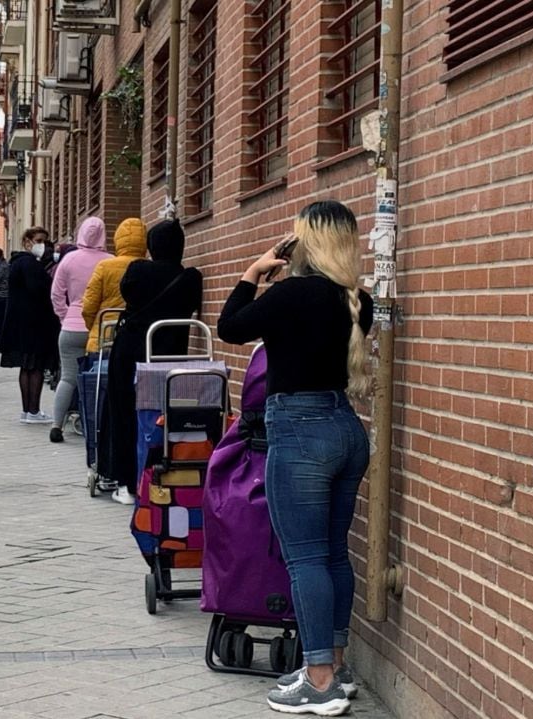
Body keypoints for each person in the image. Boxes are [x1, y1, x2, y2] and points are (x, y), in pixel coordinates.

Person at [216, 200, 372, 717]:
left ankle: (320, 681)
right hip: (346, 428)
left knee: (305, 558)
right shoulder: (357, 301)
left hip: (300, 431)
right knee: (332, 554)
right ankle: (337, 666)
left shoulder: (290, 294)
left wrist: (253, 271)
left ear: (305, 241)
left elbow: (231, 327)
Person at [104, 220, 203, 505]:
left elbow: (127, 294)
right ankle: (164, 476)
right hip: (170, 357)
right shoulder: (190, 278)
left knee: (124, 413)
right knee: (164, 418)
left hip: (131, 351)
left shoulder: (138, 270)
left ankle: (127, 481)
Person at [48, 217, 111, 443]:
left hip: (71, 327)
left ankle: (57, 424)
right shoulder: (110, 261)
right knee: (101, 379)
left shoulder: (68, 260)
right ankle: (94, 426)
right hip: (101, 328)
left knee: (68, 378)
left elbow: (56, 294)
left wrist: (66, 316)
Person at [0, 227, 60, 423]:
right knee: (36, 367)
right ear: (27, 241)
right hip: (34, 323)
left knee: (27, 367)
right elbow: (39, 289)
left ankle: (28, 410)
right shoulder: (30, 264)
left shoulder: (18, 263)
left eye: (45, 241)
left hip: (21, 323)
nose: (42, 245)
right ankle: (33, 411)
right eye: (39, 240)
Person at [81, 217, 147, 354]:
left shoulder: (105, 266)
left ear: (118, 240)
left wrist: (94, 326)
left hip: (105, 334)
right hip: (138, 337)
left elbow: (89, 305)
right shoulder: (149, 267)